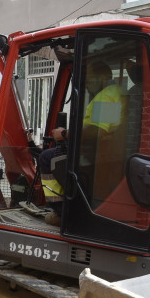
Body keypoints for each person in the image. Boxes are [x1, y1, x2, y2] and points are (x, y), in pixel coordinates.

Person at [40, 60, 122, 226]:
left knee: (47, 157)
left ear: (104, 78)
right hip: (106, 148)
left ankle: (61, 211)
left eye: (90, 80)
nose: (86, 86)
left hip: (97, 152)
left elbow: (97, 130)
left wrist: (64, 133)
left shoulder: (106, 96)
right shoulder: (117, 92)